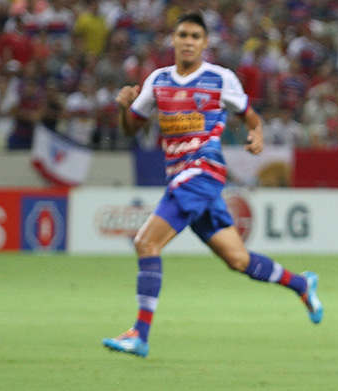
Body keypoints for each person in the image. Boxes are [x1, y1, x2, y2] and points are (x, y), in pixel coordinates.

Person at [102, 13, 323, 358]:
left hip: (202, 174)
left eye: (195, 36)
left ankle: (139, 333)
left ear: (205, 43)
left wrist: (257, 133)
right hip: (182, 178)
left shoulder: (220, 79)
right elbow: (132, 129)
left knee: (146, 243)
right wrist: (123, 108)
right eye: (182, 35)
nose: (188, 41)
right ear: (173, 41)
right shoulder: (158, 81)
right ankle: (301, 283)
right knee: (238, 259)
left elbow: (249, 113)